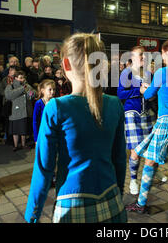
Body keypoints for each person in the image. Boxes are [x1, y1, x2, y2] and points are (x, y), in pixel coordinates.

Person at [25, 33, 127, 223]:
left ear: (65, 64)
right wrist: (118, 194)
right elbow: (119, 160)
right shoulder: (115, 104)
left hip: (71, 206)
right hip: (112, 203)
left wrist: (33, 215)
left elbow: (44, 168)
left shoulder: (56, 107)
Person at [126, 38, 168, 214]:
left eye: (163, 54)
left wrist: (144, 89)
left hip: (165, 122)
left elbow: (150, 94)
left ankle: (141, 204)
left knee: (150, 162)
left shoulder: (162, 72)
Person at [117, 46, 156, 195]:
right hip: (132, 114)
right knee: (135, 151)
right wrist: (138, 91)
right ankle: (133, 180)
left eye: (145, 56)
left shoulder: (148, 73)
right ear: (132, 57)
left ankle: (153, 169)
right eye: (141, 55)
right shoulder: (126, 73)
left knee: (151, 148)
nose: (144, 58)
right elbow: (120, 94)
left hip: (148, 113)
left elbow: (151, 94)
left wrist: (152, 95)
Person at [5, 70, 36, 151]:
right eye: (20, 78)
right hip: (15, 111)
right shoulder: (11, 86)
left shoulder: (27, 86)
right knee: (15, 130)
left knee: (23, 129)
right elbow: (9, 95)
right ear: (15, 78)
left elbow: (32, 95)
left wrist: (30, 93)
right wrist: (22, 89)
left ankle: (23, 144)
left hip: (25, 111)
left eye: (23, 78)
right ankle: (15, 145)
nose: (22, 79)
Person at [33, 79, 55, 145]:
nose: (52, 91)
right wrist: (36, 138)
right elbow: (35, 121)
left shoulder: (54, 102)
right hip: (42, 132)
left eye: (54, 89)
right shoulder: (39, 103)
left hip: (53, 132)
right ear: (43, 91)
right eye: (50, 89)